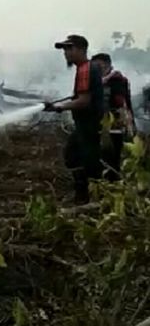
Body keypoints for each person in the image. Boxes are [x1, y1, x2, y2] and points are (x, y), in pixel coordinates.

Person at [45, 35, 104, 204]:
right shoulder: (87, 68)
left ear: (81, 49)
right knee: (74, 156)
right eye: (64, 49)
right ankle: (85, 195)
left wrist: (59, 107)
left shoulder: (85, 68)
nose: (66, 53)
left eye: (69, 48)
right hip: (89, 125)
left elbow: (84, 101)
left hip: (89, 126)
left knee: (86, 162)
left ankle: (89, 199)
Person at [91, 53, 135, 181]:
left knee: (111, 160)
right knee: (102, 160)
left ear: (106, 65)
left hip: (113, 128)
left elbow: (122, 103)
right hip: (101, 127)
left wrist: (128, 124)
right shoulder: (101, 81)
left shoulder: (116, 81)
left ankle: (112, 186)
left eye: (98, 66)